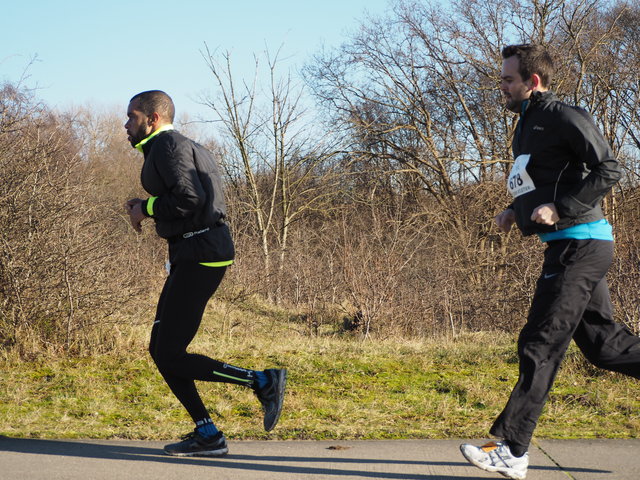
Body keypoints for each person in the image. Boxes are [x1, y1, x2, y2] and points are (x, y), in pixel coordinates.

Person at [460, 44, 640, 479]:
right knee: (604, 347)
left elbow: (609, 169)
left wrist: (561, 208)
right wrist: (514, 210)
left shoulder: (564, 116)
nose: (500, 86)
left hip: (581, 244)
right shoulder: (527, 124)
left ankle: (512, 450)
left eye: (507, 79)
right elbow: (538, 180)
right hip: (567, 246)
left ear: (532, 82)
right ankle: (511, 447)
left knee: (540, 344)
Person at [124, 90, 287, 457]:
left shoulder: (168, 146)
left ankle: (261, 381)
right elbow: (188, 198)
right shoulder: (174, 146)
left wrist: (147, 206)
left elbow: (190, 199)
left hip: (201, 253)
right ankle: (208, 433)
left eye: (131, 116)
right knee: (162, 350)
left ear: (152, 119)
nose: (125, 124)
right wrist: (145, 206)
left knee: (170, 353)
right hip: (194, 251)